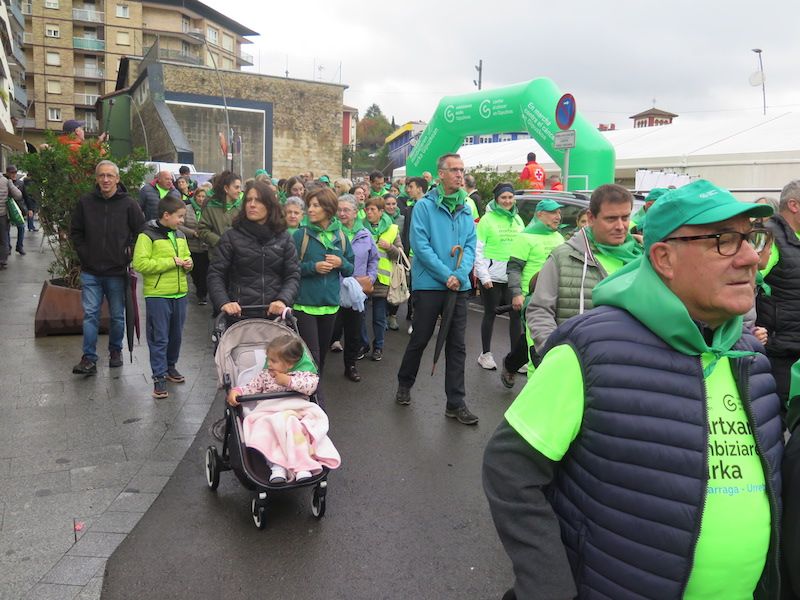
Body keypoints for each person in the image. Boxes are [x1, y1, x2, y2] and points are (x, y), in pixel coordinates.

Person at [483, 180, 780, 600]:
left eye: (752, 239)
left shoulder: (751, 359)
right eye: (725, 241)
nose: (751, 257)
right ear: (663, 258)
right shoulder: (589, 350)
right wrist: (547, 587)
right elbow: (509, 469)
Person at [394, 154, 478, 425]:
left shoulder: (466, 208)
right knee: (420, 338)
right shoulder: (424, 207)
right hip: (430, 285)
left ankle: (456, 403)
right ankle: (404, 384)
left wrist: (460, 274)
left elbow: (470, 246)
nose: (459, 174)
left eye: (462, 170)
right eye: (454, 170)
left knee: (457, 346)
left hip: (458, 286)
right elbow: (420, 246)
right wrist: (446, 275)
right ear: (440, 174)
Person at [526, 184, 642, 357]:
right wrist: (556, 355)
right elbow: (540, 310)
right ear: (591, 217)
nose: (620, 226)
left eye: (625, 217)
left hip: (629, 366)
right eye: (611, 219)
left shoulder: (643, 259)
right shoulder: (563, 257)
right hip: (577, 366)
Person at [70, 160, 145, 375]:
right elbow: (76, 231)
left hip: (116, 271)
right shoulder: (85, 202)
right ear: (96, 179)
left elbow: (141, 230)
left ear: (117, 179)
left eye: (110, 176)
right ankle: (89, 358)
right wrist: (84, 252)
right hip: (90, 270)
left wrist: (130, 250)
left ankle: (115, 351)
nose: (105, 179)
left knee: (117, 316)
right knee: (90, 315)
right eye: (102, 175)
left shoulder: (129, 204)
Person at [227, 334, 320, 483]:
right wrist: (237, 391)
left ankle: (302, 467)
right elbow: (251, 387)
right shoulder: (265, 376)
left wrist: (288, 381)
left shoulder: (302, 375)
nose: (268, 363)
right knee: (269, 432)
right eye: (267, 359)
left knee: (295, 429)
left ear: (289, 364)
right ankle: (277, 468)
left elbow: (311, 386)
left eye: (273, 361)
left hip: (294, 412)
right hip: (270, 413)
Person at [208, 180, 300, 325]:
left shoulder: (284, 237)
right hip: (239, 316)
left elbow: (292, 275)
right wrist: (224, 302)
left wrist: (283, 299)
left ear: (269, 205)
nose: (252, 204)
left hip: (274, 317)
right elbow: (216, 274)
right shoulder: (231, 237)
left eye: (258, 200)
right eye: (248, 200)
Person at [293, 187, 355, 396]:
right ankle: (313, 397)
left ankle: (310, 392)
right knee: (312, 355)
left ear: (328, 209)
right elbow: (290, 269)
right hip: (304, 305)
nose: (310, 209)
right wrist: (313, 267)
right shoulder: (300, 235)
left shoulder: (342, 236)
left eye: (315, 205)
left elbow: (350, 269)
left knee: (322, 356)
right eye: (309, 205)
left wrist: (340, 262)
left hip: (330, 305)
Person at [132, 196, 192, 399]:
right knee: (160, 337)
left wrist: (188, 264)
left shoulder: (180, 236)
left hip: (180, 293)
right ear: (166, 215)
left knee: (176, 336)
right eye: (180, 217)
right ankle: (159, 376)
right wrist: (171, 262)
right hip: (158, 294)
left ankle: (170, 367)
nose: (182, 221)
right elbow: (140, 264)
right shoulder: (146, 235)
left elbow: (187, 257)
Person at [500, 199, 565, 386]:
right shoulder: (525, 237)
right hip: (533, 299)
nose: (558, 217)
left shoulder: (558, 238)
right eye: (553, 213)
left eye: (559, 213)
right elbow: (513, 268)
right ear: (540, 215)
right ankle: (533, 397)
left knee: (535, 339)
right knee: (536, 348)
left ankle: (511, 364)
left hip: (557, 298)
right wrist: (516, 293)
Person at [756, 179, 800, 411]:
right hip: (779, 352)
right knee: (779, 418)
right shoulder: (770, 236)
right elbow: (749, 280)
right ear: (794, 205)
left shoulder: (796, 237)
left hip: (794, 350)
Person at [474, 182, 525, 371]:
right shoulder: (487, 220)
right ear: (496, 199)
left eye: (510, 197)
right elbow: (478, 249)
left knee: (516, 316)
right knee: (490, 314)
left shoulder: (518, 220)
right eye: (504, 197)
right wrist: (484, 276)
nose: (507, 201)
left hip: (513, 276)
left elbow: (523, 248)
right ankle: (485, 354)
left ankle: (514, 359)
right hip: (492, 277)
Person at [331, 194, 377, 381]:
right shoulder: (331, 232)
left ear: (355, 212)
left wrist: (371, 278)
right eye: (339, 210)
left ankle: (350, 366)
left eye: (346, 210)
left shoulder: (365, 234)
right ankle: (316, 367)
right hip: (333, 290)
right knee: (331, 331)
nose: (342, 213)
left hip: (356, 292)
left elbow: (374, 259)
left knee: (354, 331)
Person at [363, 195, 403, 361]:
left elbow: (399, 254)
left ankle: (378, 347)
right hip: (362, 278)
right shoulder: (359, 227)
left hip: (382, 280)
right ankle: (364, 344)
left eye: (373, 209)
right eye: (367, 209)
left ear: (381, 212)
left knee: (379, 318)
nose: (369, 212)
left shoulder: (392, 229)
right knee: (359, 316)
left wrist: (390, 247)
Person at [198, 170, 242, 262]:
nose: (239, 191)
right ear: (226, 188)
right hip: (217, 256)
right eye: (236, 187)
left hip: (238, 256)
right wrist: (220, 241)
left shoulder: (242, 207)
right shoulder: (211, 206)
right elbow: (202, 230)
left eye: (240, 187)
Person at [178, 186, 210, 305]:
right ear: (195, 197)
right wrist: (192, 233)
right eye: (199, 196)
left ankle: (203, 295)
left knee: (205, 272)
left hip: (205, 246)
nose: (201, 199)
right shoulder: (187, 209)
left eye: (203, 196)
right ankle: (198, 290)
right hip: (192, 246)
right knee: (195, 273)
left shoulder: (209, 210)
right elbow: (180, 225)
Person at [384, 194, 405, 332]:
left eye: (393, 204)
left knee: (396, 286)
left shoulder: (402, 219)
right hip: (382, 258)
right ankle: (383, 316)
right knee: (383, 290)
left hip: (396, 256)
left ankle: (393, 315)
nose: (391, 207)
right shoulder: (379, 219)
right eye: (388, 204)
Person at [0, 167, 23, 269]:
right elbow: (18, 195)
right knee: (3, 238)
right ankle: (2, 261)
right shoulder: (5, 181)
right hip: (2, 215)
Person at [5, 165, 27, 256]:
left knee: (21, 227)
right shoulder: (4, 182)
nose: (14, 174)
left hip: (19, 210)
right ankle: (8, 247)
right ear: (7, 173)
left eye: (15, 172)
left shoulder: (20, 183)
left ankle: (19, 246)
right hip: (7, 209)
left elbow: (26, 196)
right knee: (6, 230)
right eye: (12, 172)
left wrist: (30, 209)